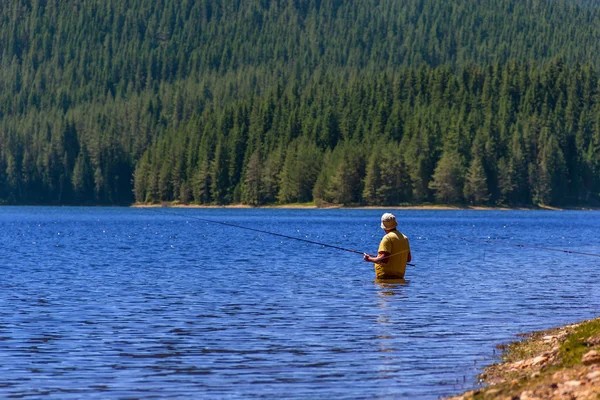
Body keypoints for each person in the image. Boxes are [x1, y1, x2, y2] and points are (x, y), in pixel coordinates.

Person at [363, 213, 412, 279]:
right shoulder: (404, 238)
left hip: (385, 277)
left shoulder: (387, 238)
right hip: (399, 277)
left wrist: (369, 259)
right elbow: (408, 259)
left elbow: (384, 259)